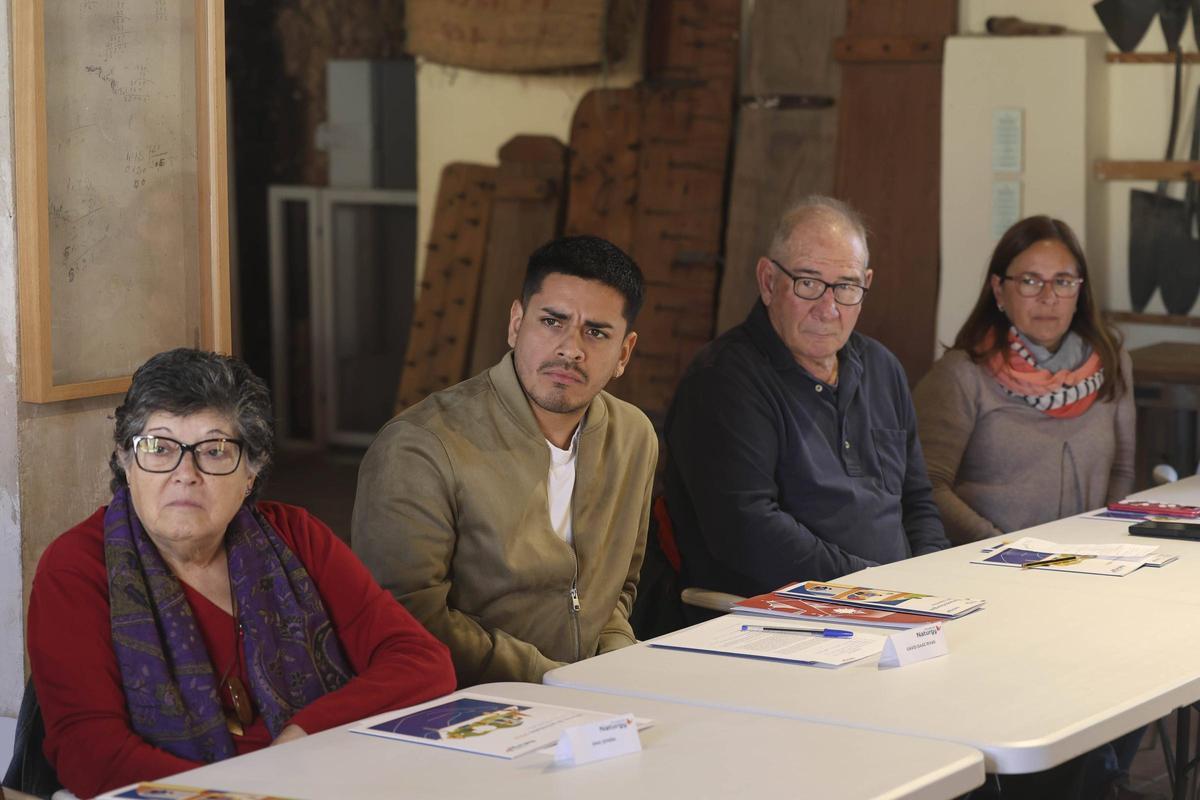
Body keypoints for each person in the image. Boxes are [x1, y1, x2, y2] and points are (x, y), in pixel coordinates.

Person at [26, 349, 455, 799]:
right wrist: (235, 793)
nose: (184, 474)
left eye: (214, 450)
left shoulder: (297, 537)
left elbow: (422, 662)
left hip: (317, 782)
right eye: (159, 447)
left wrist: (299, 739)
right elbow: (89, 752)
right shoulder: (76, 567)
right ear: (126, 462)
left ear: (251, 472)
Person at [352, 235, 658, 686]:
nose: (571, 349)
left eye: (596, 332)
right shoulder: (420, 446)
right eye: (552, 321)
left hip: (589, 698)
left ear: (624, 353)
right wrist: (549, 677)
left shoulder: (634, 437)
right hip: (464, 707)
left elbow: (617, 590)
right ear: (516, 324)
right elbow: (405, 615)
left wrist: (617, 664)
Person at [663, 195, 948, 602]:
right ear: (767, 281)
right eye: (809, 283)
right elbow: (749, 532)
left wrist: (933, 580)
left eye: (846, 286)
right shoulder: (723, 381)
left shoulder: (883, 368)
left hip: (896, 606)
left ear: (865, 284)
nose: (828, 308)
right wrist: (875, 587)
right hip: (781, 620)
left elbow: (917, 500)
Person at [913, 215, 1134, 545]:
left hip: (1091, 563)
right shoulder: (961, 374)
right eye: (1031, 281)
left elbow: (1122, 471)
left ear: (1080, 292)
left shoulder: (1112, 363)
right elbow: (926, 486)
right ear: (999, 290)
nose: (1048, 297)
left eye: (1063, 281)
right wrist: (1002, 546)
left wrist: (1101, 542)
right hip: (989, 564)